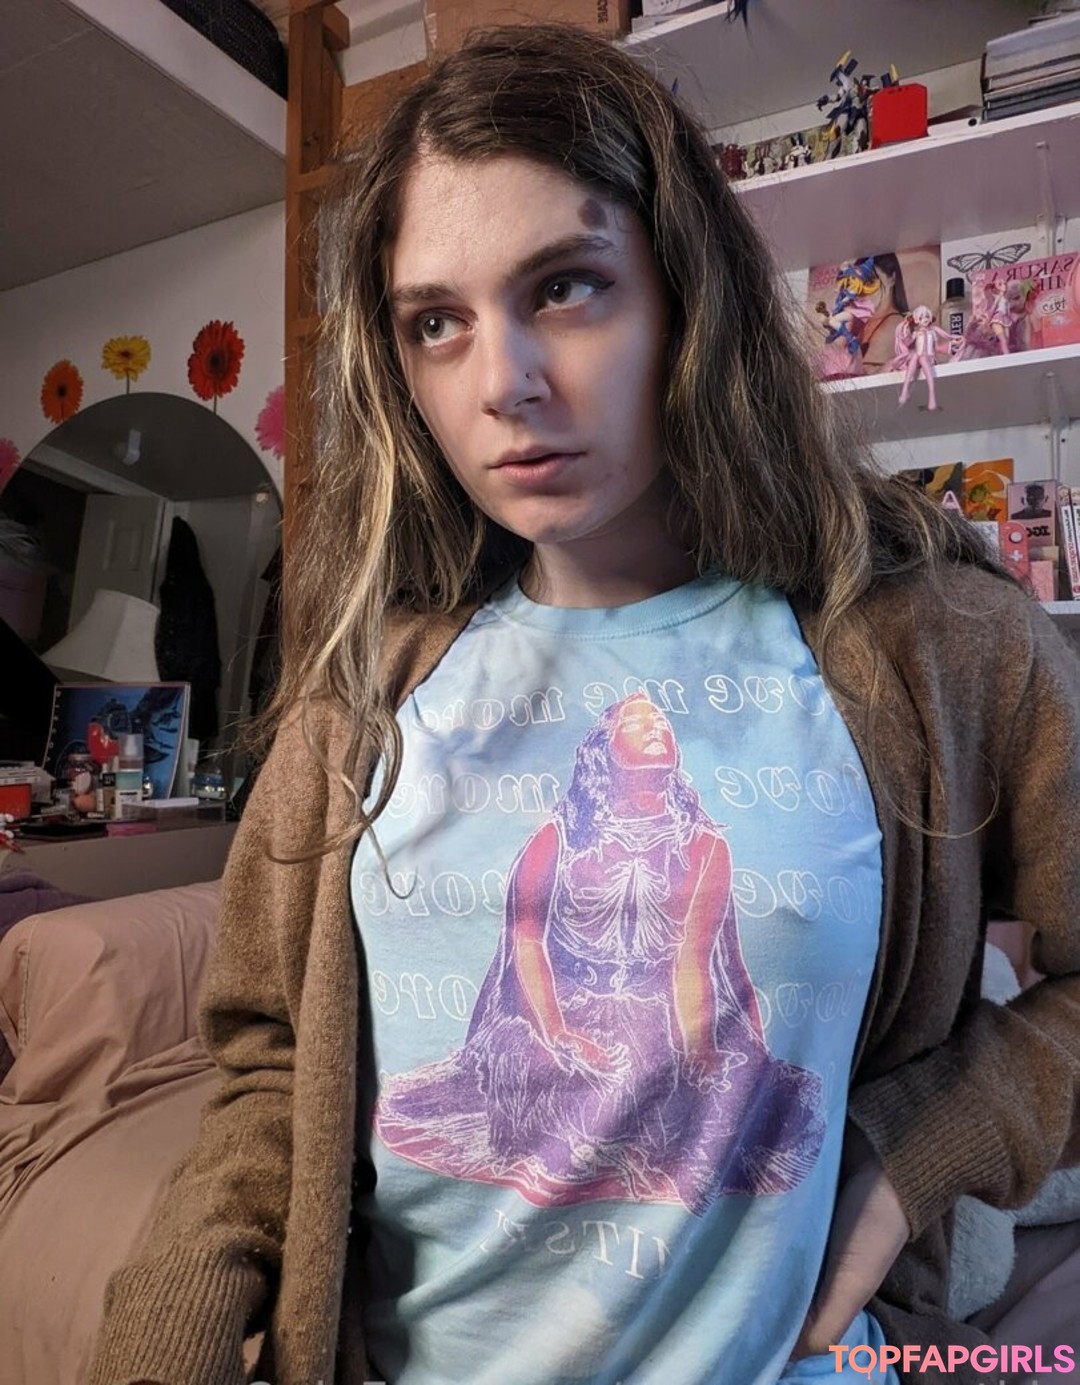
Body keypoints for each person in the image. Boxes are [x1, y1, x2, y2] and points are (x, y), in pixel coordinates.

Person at [88, 23, 1080, 1385]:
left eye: (566, 286)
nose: (503, 382)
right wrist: (168, 1338)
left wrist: (911, 1161)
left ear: (685, 297)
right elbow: (271, 1066)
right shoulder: (367, 688)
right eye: (437, 322)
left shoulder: (934, 648)